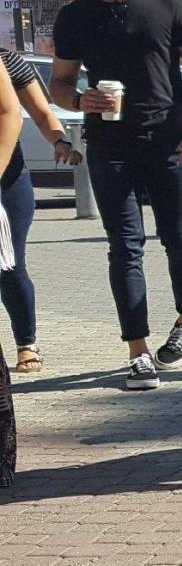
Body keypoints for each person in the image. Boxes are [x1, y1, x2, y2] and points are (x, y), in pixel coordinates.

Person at [49, 0, 182, 391]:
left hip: (169, 143)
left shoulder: (168, 4)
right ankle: (138, 352)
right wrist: (81, 100)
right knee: (125, 248)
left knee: (180, 242)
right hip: (109, 146)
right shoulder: (75, 16)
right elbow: (58, 84)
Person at [3, 50, 74, 374]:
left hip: (8, 181)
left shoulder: (9, 61)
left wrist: (60, 142)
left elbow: (41, 114)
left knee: (9, 265)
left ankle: (26, 343)